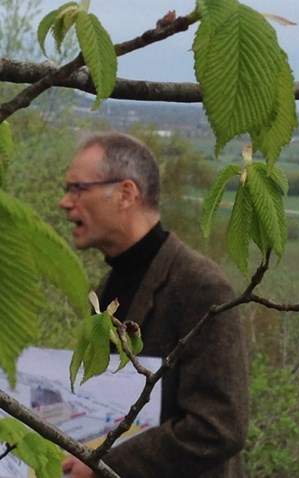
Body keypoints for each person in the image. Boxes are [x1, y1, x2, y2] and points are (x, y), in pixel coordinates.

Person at [59, 131, 249, 478]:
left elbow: (218, 427)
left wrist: (105, 464)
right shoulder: (110, 285)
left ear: (125, 193)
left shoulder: (200, 287)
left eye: (78, 188)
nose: (65, 202)